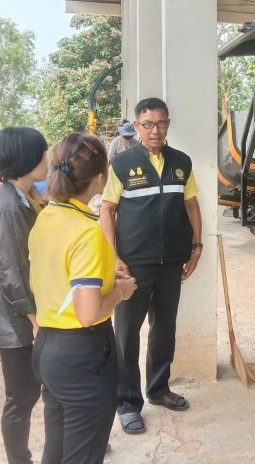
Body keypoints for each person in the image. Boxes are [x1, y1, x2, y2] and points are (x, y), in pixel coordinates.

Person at [28, 133, 137, 463]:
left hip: (47, 348)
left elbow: (38, 283)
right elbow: (88, 313)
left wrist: (103, 279)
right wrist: (120, 292)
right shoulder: (88, 231)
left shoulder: (46, 217)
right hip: (82, 354)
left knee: (57, 447)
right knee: (83, 454)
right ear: (101, 177)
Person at [100, 97, 203, 435]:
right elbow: (107, 211)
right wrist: (114, 257)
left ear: (168, 124)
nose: (155, 130)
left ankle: (158, 389)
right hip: (133, 265)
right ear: (137, 126)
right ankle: (128, 403)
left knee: (164, 329)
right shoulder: (121, 164)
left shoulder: (181, 162)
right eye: (148, 124)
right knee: (126, 334)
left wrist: (196, 247)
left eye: (161, 123)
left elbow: (191, 205)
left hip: (171, 262)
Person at [0, 127, 47, 464]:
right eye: (42, 153)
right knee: (21, 397)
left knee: (40, 388)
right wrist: (36, 322)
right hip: (16, 320)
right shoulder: (7, 208)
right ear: (25, 160)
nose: (47, 159)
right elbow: (13, 274)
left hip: (23, 314)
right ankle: (19, 460)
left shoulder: (25, 195)